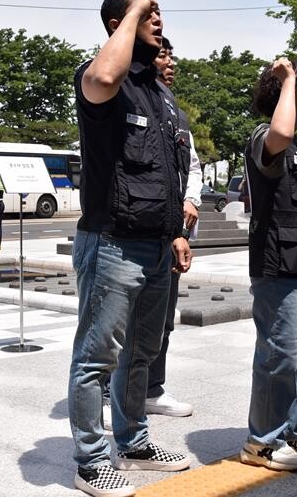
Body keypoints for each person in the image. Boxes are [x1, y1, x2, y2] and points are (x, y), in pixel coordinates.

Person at [68, 0, 192, 497]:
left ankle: (134, 444)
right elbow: (103, 77)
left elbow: (169, 173)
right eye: (145, 11)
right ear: (117, 24)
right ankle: (90, 461)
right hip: (113, 241)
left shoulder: (158, 92)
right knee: (96, 358)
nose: (156, 16)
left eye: (158, 9)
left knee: (141, 353)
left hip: (157, 244)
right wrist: (135, 6)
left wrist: (177, 233)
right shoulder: (102, 77)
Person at [101, 37, 200, 427]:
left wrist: (190, 200)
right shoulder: (122, 96)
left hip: (170, 229)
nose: (170, 62)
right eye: (162, 55)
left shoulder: (174, 109)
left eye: (172, 56)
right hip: (130, 229)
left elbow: (189, 165)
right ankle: (110, 393)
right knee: (121, 322)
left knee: (161, 321)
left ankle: (151, 388)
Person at [240, 57, 297, 471]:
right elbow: (281, 131)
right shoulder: (266, 136)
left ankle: (291, 428)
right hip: (278, 265)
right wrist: (289, 78)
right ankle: (261, 441)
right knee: (279, 355)